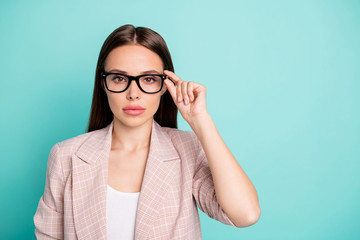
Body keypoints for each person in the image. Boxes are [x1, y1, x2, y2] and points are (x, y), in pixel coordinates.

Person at [33, 24, 261, 240]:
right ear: (103, 83)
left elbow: (246, 214)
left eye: (149, 79)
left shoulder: (186, 149)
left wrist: (201, 121)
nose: (134, 93)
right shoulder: (66, 156)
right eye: (119, 78)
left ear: (165, 84)